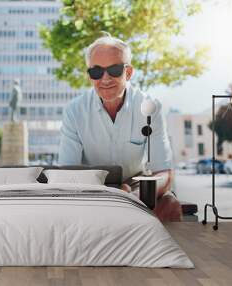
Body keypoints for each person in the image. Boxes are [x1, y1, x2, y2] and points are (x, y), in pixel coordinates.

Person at [58, 34, 181, 222]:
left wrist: (131, 197)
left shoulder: (150, 107)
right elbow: (67, 174)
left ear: (128, 72)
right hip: (92, 186)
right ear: (90, 75)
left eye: (114, 70)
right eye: (96, 72)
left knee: (170, 205)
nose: (105, 79)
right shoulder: (74, 111)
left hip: (136, 186)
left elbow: (164, 173)